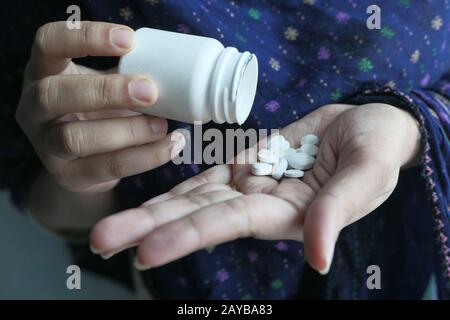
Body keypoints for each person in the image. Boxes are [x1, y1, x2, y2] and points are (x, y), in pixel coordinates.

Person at [1, 0, 449, 299]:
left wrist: (407, 125)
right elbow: (37, 193)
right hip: (185, 280)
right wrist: (83, 175)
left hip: (396, 270)